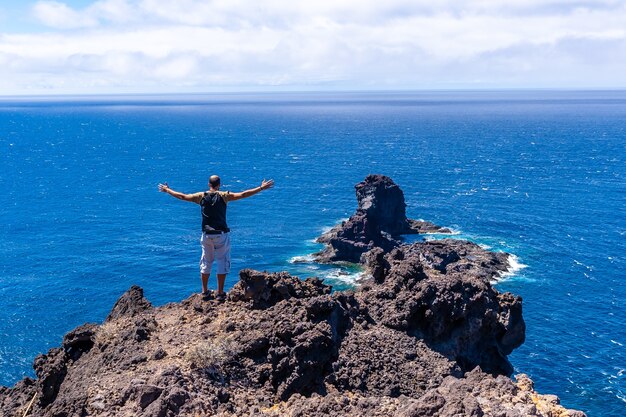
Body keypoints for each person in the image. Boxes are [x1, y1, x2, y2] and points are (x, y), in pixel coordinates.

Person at [158, 175, 274, 301]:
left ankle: (205, 292)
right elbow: (243, 194)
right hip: (221, 235)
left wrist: (167, 190)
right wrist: (261, 188)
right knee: (222, 262)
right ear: (219, 185)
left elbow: (182, 196)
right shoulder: (224, 196)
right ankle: (219, 293)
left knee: (206, 262)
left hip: (206, 235)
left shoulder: (200, 196)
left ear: (209, 184)